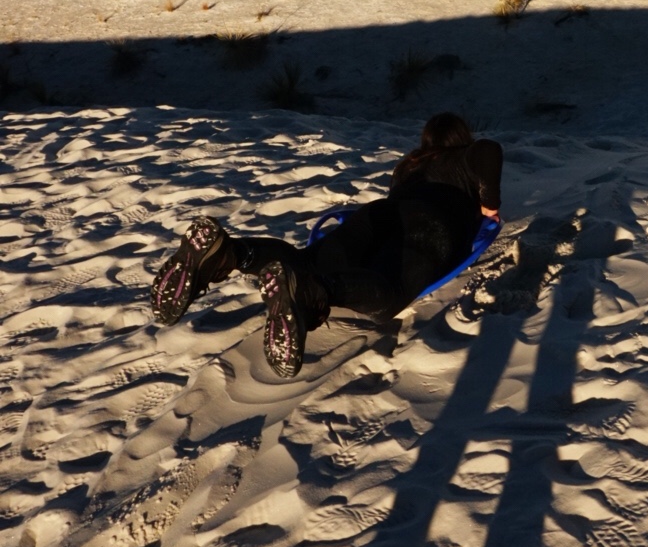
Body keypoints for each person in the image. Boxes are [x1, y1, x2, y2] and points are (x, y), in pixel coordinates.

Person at [150, 115, 502, 379]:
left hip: (378, 214)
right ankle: (313, 293)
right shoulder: (462, 157)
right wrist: (489, 205)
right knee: (390, 292)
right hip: (431, 226)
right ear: (461, 138)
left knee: (307, 261)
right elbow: (488, 151)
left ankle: (230, 253)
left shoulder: (408, 167)